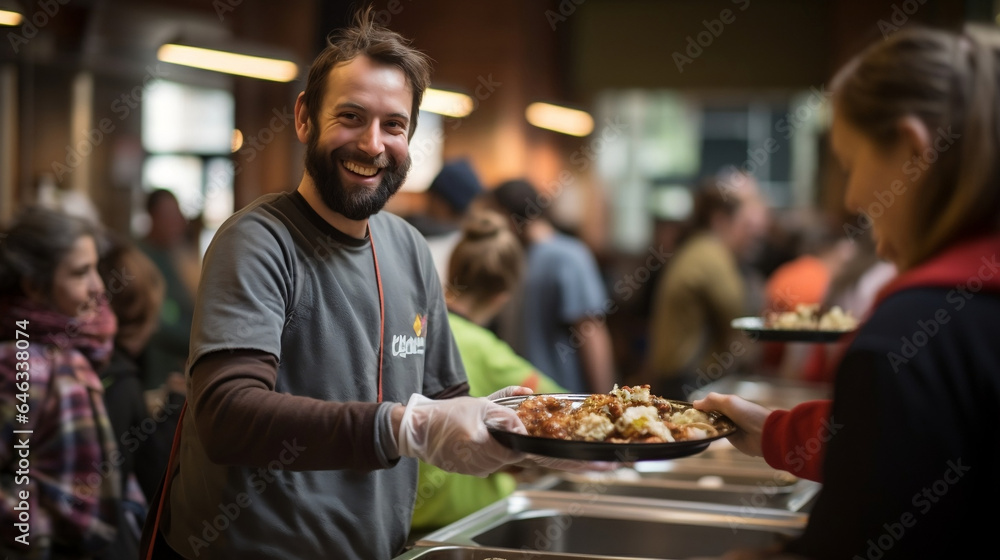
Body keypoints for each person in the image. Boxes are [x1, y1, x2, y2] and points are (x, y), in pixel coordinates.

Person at [141, 9, 530, 560]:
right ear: (304, 118)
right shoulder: (257, 241)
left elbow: (445, 404)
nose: (372, 145)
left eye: (393, 125)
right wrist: (401, 428)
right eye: (351, 117)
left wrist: (520, 431)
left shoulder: (409, 249)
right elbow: (228, 415)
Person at [694, 25, 1000, 559]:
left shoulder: (911, 331)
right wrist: (776, 432)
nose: (854, 197)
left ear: (913, 149)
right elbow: (909, 446)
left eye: (851, 165)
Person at [410, 208, 567, 533]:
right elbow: (567, 409)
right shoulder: (491, 353)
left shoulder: (414, 329)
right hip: (468, 519)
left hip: (406, 517)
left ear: (452, 270)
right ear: (503, 295)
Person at [0, 207, 121, 559]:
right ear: (34, 287)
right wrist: (36, 527)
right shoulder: (20, 361)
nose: (98, 287)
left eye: (96, 268)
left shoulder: (72, 348)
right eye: (80, 273)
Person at [487, 178, 616, 394]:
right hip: (524, 396)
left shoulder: (568, 257)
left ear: (508, 215)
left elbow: (591, 332)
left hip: (565, 397)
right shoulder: (517, 258)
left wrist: (604, 397)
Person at [641, 175, 765, 400]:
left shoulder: (698, 248)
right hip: (687, 379)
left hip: (677, 374)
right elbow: (739, 315)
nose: (751, 235)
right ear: (720, 220)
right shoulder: (710, 254)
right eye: (744, 225)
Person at [137, 189, 197, 391]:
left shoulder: (179, 254)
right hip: (157, 371)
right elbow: (161, 320)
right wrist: (200, 340)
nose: (176, 222)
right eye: (168, 215)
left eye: (177, 214)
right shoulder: (142, 258)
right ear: (152, 217)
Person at [405, 158, 485, 283]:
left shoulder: (456, 250)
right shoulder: (472, 245)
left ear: (442, 203)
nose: (428, 202)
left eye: (432, 195)